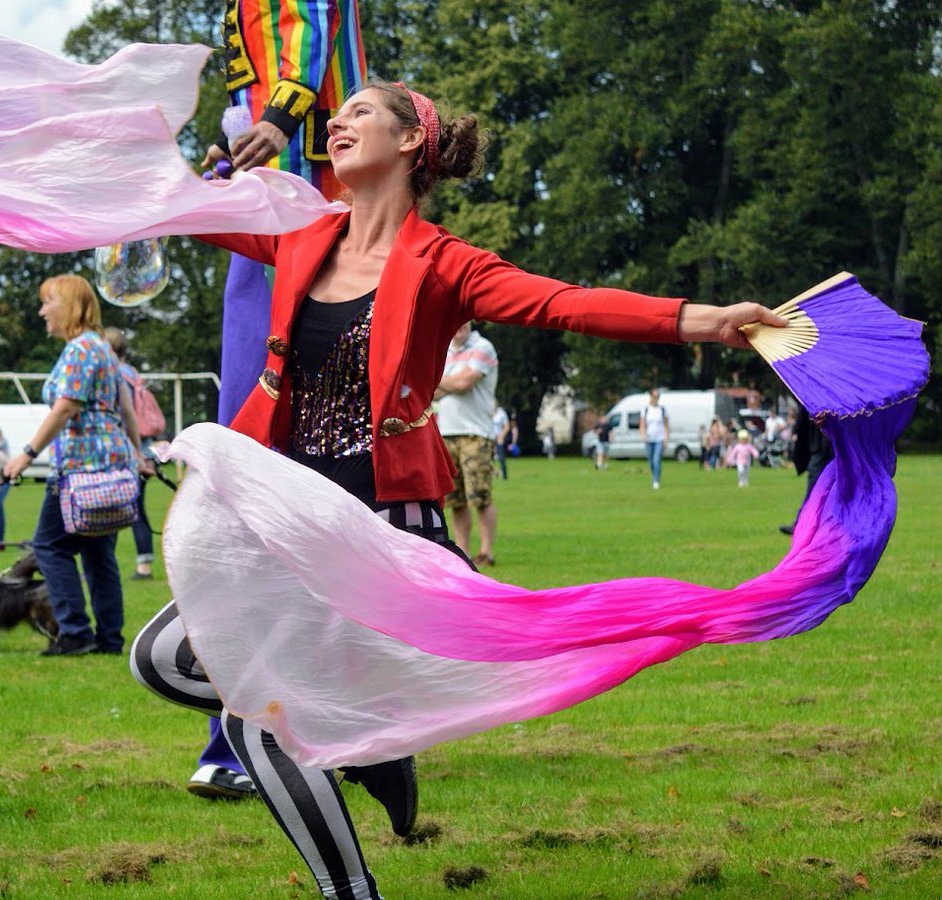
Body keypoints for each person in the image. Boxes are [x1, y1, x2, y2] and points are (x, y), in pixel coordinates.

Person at [130, 81, 785, 899]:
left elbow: (567, 305)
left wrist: (704, 318)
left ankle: (352, 886)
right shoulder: (300, 231)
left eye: (360, 112)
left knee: (254, 725)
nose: (337, 121)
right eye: (339, 114)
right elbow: (179, 207)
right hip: (289, 522)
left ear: (410, 143)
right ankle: (370, 747)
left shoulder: (445, 264)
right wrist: (162, 157)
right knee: (158, 660)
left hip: (379, 532)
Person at [189, 0, 369, 804]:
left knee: (275, 484)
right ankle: (273, 726)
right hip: (296, 208)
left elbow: (299, 29)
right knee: (263, 485)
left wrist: (273, 117)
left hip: (307, 209)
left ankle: (289, 728)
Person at [4, 275, 135, 656]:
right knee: (98, 554)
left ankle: (75, 632)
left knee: (48, 546)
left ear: (70, 306)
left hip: (81, 469)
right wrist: (137, 454)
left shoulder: (80, 350)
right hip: (112, 466)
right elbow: (126, 408)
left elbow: (66, 407)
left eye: (48, 302)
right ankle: (110, 638)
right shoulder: (105, 350)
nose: (42, 310)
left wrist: (26, 454)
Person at [434, 320, 500, 567]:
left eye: (464, 321)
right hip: (446, 432)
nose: (459, 326)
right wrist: (447, 381)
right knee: (456, 499)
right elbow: (434, 392)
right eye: (455, 321)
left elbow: (464, 384)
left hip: (475, 433)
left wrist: (434, 377)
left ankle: (486, 551)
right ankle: (464, 552)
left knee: (480, 495)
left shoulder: (483, 347)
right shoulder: (445, 352)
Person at [104, 327, 158, 581]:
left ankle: (138, 568)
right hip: (145, 448)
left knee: (124, 509)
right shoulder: (133, 374)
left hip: (129, 452)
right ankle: (143, 565)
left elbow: (123, 417)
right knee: (136, 508)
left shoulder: (117, 376)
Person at [779, 406, 834, 535]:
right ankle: (801, 524)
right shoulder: (813, 394)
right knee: (814, 488)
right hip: (820, 449)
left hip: (835, 449)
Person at [641, 387, 669, 489]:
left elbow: (666, 426)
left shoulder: (662, 410)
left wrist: (666, 439)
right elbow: (642, 424)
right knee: (651, 461)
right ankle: (654, 476)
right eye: (654, 396)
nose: (656, 398)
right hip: (649, 439)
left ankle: (656, 480)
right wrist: (643, 434)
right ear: (650, 397)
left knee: (657, 459)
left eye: (657, 396)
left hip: (659, 439)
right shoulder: (646, 409)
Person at [491, 405, 510, 479]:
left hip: (499, 438)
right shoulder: (486, 410)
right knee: (488, 459)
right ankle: (493, 474)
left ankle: (504, 476)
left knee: (501, 458)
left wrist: (501, 436)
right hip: (489, 438)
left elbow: (506, 426)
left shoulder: (501, 413)